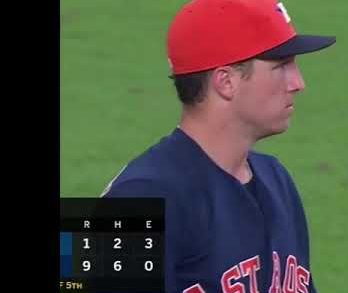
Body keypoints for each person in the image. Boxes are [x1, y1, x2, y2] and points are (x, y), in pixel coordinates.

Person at [101, 0, 335, 292]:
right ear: (226, 82)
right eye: (281, 65)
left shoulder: (276, 177)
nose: (298, 83)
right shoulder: (136, 197)